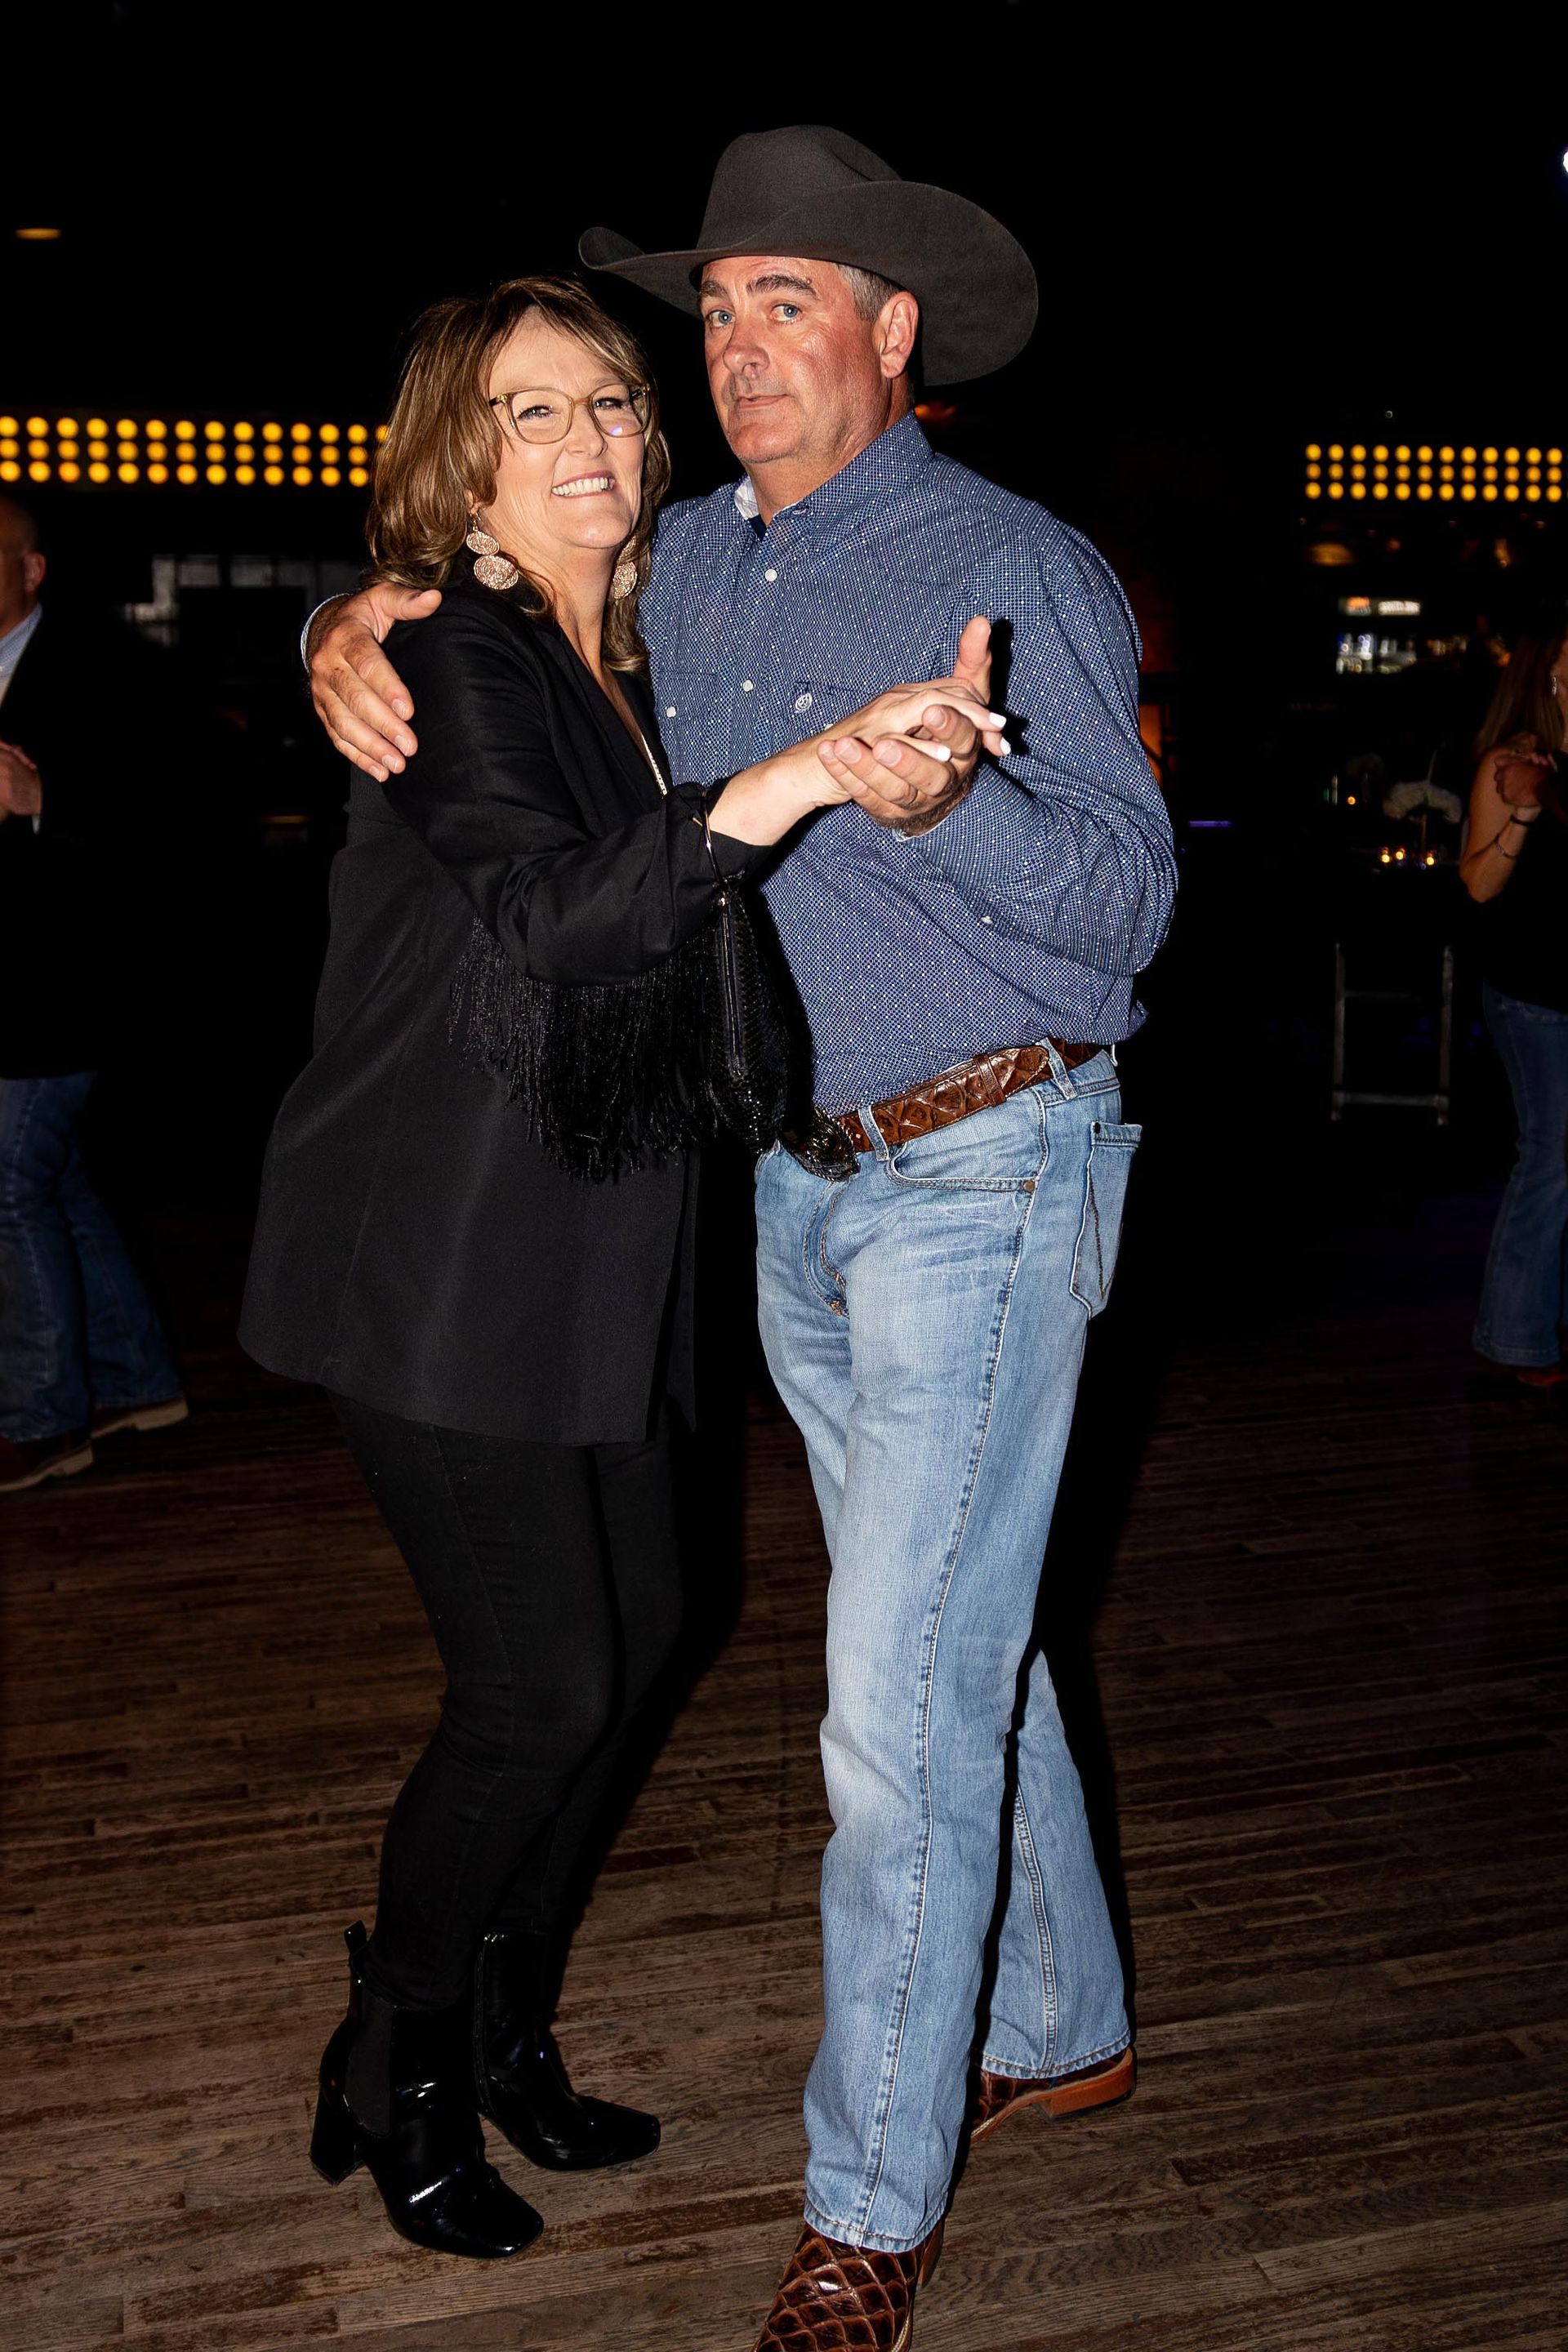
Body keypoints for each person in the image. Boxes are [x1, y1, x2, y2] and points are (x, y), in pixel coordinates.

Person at [307, 128, 1176, 2349]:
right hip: (778, 1193)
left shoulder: (1019, 565)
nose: (735, 348)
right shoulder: (681, 562)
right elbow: (503, 643)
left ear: (897, 334)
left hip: (986, 1166)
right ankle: (1059, 2016)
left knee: (896, 1696)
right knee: (955, 1634)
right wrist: (358, 606)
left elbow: (1128, 920)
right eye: (715, 311)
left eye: (795, 300)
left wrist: (956, 793)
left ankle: (866, 2209)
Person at [243, 270, 1000, 2264]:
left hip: (600, 1249)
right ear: (457, 461)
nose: (587, 442)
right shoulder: (456, 654)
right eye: (532, 414)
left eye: (606, 406)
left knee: (647, 1628)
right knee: (538, 1681)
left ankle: (497, 2022)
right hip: (440, 1260)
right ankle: (391, 2051)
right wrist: (812, 771)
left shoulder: (635, 640)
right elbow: (559, 918)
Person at [0, 496, 186, 1498]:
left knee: (6, 1184)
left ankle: (41, 1418)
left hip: (66, 990)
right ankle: (133, 1379)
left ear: (32, 571)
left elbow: (169, 819)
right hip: (17, 990)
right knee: (54, 1181)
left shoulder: (105, 670)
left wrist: (42, 802)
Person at [1459, 621, 1568, 1386]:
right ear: (1549, 677)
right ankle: (1515, 1336)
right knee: (1552, 1159)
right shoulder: (1513, 764)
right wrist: (1524, 813)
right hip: (1536, 995)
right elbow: (1476, 886)